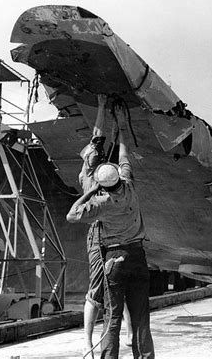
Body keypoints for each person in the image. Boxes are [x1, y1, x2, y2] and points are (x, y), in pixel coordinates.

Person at [67, 107, 154, 359]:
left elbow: (72, 215)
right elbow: (122, 154)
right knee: (140, 316)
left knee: (110, 312)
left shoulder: (100, 202)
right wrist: (122, 127)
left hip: (112, 255)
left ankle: (96, 348)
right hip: (138, 255)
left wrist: (102, 106)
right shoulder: (129, 185)